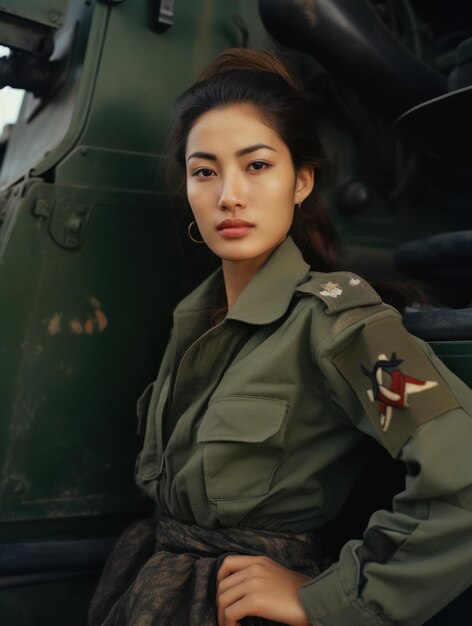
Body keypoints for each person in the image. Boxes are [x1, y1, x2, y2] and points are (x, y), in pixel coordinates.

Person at [88, 49, 472, 626]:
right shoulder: (195, 321)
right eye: (204, 171)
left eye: (258, 165)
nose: (229, 196)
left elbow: (463, 475)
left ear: (302, 181)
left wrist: (328, 598)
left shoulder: (338, 324)